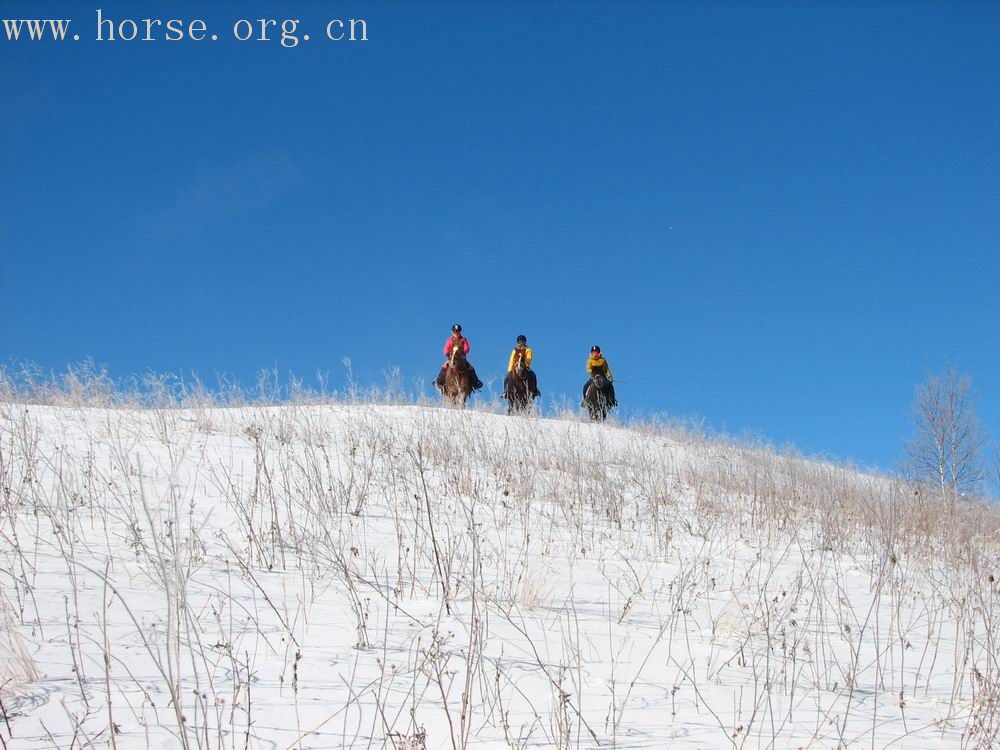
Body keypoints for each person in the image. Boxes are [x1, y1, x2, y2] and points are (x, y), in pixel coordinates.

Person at [435, 323, 483, 391]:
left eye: (458, 331)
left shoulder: (463, 340)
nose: (457, 333)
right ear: (452, 332)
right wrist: (448, 354)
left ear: (460, 332)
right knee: (444, 365)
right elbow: (445, 349)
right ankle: (439, 381)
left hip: (461, 358)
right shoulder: (449, 340)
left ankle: (476, 382)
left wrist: (463, 353)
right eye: (455, 332)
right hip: (451, 357)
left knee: (470, 367)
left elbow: (467, 348)